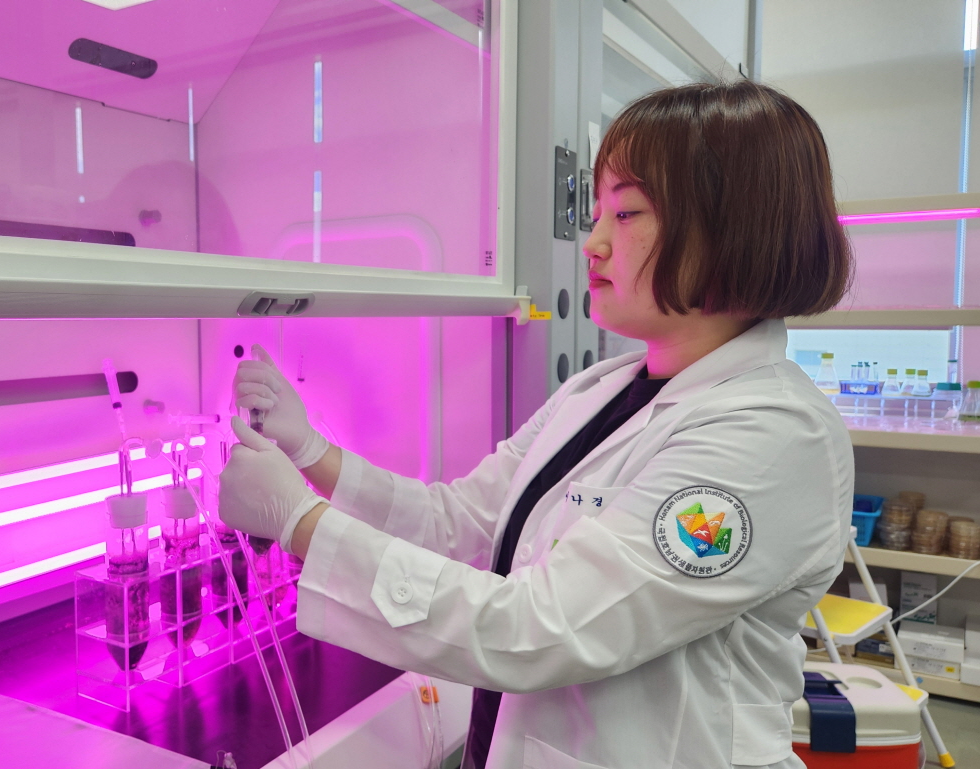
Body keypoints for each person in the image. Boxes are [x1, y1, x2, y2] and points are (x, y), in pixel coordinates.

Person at [219, 79, 854, 769]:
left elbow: (538, 629)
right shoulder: (599, 389)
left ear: (731, 228)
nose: (592, 243)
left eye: (626, 212)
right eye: (598, 212)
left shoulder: (774, 437)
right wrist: (311, 451)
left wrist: (298, 521)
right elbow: (458, 521)